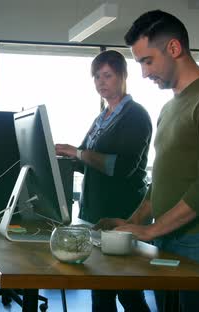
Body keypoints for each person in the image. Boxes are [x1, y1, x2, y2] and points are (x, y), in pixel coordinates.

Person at [95, 10, 199, 312]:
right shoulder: (169, 107)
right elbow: (160, 180)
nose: (144, 73)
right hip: (167, 237)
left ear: (174, 49)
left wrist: (151, 230)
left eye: (147, 61)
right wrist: (135, 222)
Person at [55, 50, 152, 312]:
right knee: (100, 291)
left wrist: (77, 152)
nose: (101, 82)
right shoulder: (101, 119)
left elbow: (121, 167)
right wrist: (59, 158)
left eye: (107, 75)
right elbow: (86, 163)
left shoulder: (136, 116)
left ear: (123, 76)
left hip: (122, 214)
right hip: (94, 213)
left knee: (129, 293)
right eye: (96, 77)